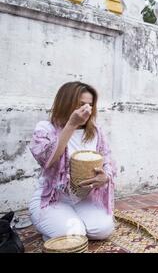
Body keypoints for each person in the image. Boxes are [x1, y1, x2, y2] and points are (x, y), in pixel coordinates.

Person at [29, 82, 116, 241]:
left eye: (90, 105)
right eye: (81, 105)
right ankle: (56, 226)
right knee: (74, 234)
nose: (87, 110)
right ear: (66, 102)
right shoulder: (45, 128)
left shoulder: (95, 131)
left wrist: (105, 176)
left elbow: (107, 159)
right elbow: (46, 160)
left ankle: (68, 223)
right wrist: (71, 124)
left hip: (84, 198)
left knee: (103, 230)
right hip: (53, 199)